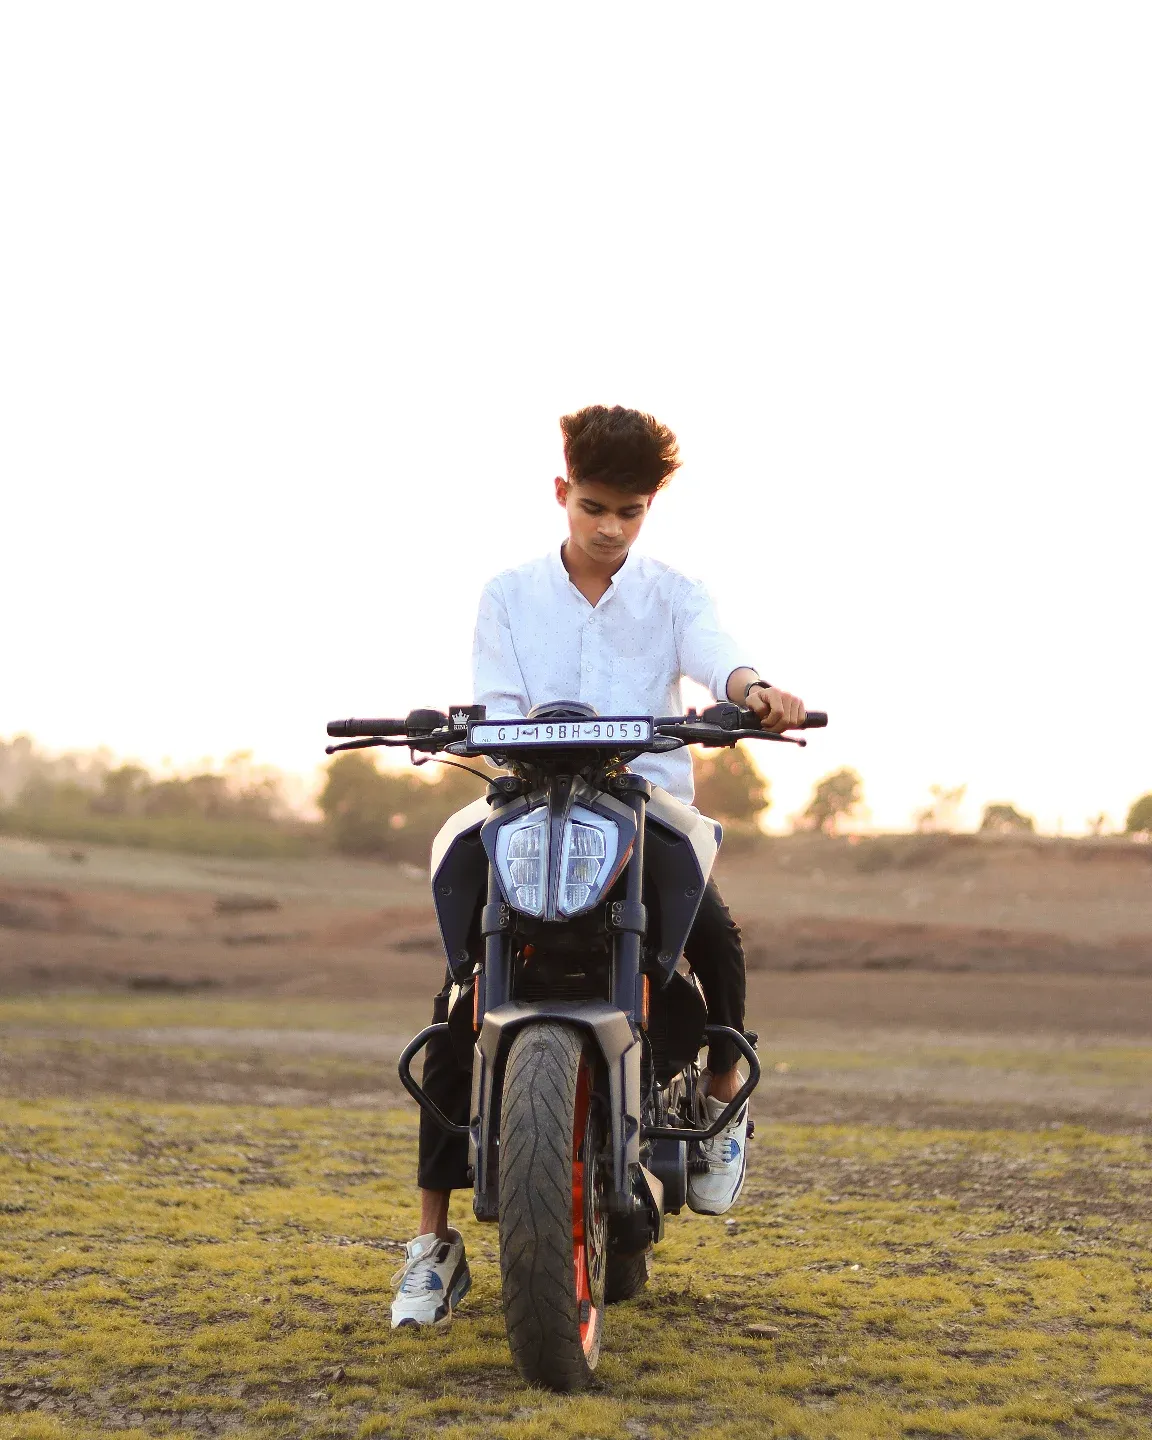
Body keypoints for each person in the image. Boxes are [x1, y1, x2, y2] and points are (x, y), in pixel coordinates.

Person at [391, 405, 807, 1328]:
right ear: (561, 494)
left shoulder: (673, 594)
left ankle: (724, 1109)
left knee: (720, 942)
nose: (610, 527)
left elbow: (720, 662)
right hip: (527, 807)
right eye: (594, 506)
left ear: (648, 509)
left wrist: (754, 694)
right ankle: (430, 1245)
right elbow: (498, 702)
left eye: (631, 510)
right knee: (458, 999)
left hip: (646, 809)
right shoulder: (507, 594)